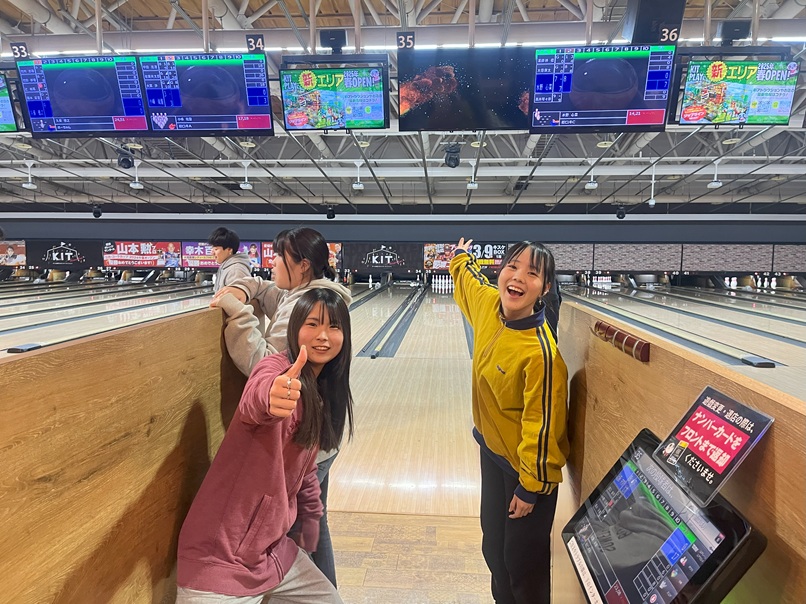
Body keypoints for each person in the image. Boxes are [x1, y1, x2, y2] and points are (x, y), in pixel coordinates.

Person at [177, 288, 354, 603]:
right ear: (294, 327)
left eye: (334, 326)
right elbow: (256, 398)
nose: (323, 336)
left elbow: (304, 473)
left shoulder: (321, 394)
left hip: (273, 554)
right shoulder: (275, 370)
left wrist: (310, 527)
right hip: (220, 559)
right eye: (312, 324)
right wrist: (271, 397)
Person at [211, 227, 351, 587]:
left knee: (298, 532)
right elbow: (268, 290)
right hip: (321, 435)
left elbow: (264, 364)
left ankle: (313, 591)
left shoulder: (306, 307)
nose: (270, 262)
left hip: (305, 437)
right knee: (312, 526)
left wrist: (238, 314)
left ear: (302, 266)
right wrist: (247, 288)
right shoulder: (308, 295)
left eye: (278, 256)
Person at [449, 238, 569, 604]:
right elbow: (468, 283)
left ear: (544, 288)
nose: (517, 277)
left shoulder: (541, 355)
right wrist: (461, 258)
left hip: (526, 474)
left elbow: (542, 428)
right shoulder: (490, 305)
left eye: (532, 273)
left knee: (522, 567)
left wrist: (530, 488)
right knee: (495, 553)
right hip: (493, 453)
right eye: (512, 267)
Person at [208, 227, 252, 292]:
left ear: (229, 250)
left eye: (216, 249)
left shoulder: (235, 270)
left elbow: (237, 297)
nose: (212, 253)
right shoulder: (226, 266)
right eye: (212, 249)